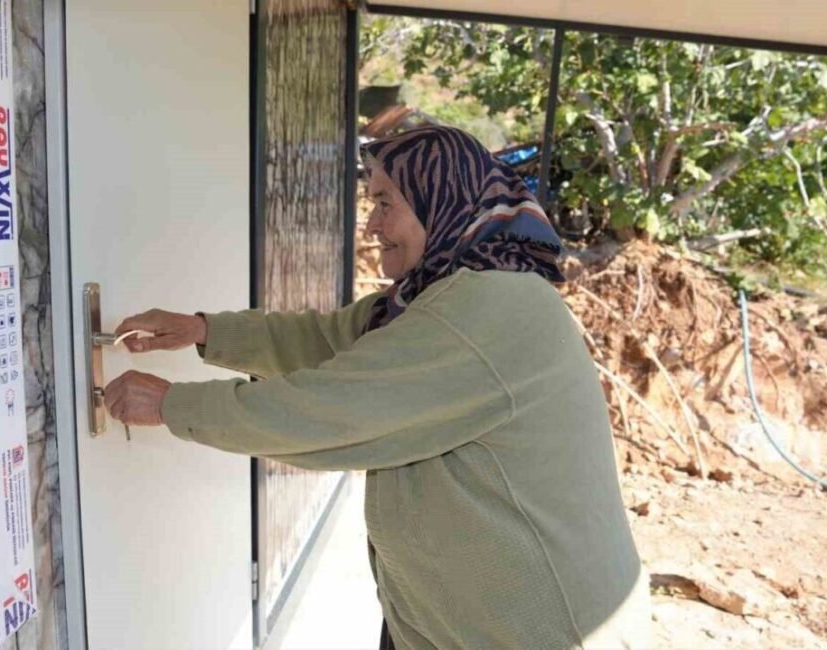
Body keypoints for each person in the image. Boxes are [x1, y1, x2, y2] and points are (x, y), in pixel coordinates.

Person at [103, 125, 650, 649]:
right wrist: (204, 330)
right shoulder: (430, 297)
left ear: (441, 198)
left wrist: (172, 404)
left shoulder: (488, 308)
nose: (370, 225)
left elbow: (329, 412)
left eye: (386, 203)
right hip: (450, 625)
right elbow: (327, 340)